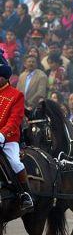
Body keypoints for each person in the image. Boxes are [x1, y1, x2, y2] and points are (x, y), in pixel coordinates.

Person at [0, 49, 33, 212]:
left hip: (9, 139)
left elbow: (15, 120)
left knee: (14, 162)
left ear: (3, 77)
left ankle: (25, 194)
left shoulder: (16, 95)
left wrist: (2, 134)